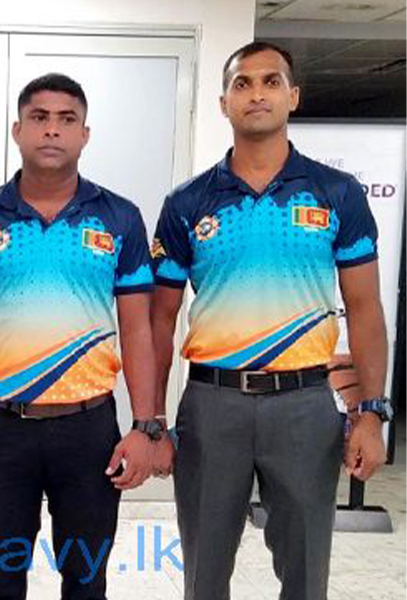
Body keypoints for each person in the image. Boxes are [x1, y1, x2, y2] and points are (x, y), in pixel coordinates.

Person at [150, 41, 391, 600]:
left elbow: (364, 308)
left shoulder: (336, 193)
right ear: (223, 102)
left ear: (293, 96)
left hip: (305, 407)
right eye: (242, 83)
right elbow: (159, 321)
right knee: (204, 573)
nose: (256, 93)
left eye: (270, 81)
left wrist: (371, 412)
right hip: (213, 407)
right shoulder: (188, 202)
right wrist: (153, 422)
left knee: (306, 573)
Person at [0, 73, 162, 600]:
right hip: (4, 430)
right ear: (17, 130)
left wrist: (146, 426)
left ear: (85, 134)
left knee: (86, 580)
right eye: (39, 118)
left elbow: (137, 328)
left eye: (66, 120)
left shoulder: (120, 218)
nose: (52, 131)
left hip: (90, 431)